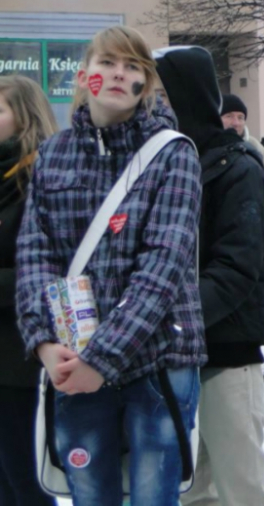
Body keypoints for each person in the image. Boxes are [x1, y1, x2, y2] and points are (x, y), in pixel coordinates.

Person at [16, 26, 205, 505]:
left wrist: (101, 359)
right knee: (90, 496)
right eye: (107, 63)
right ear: (84, 75)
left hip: (158, 359)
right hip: (72, 360)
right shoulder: (52, 156)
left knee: (151, 496)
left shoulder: (172, 153)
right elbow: (34, 257)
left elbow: (162, 267)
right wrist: (43, 343)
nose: (119, 74)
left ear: (148, 83)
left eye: (133, 66)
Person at [155, 46, 264, 506]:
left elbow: (237, 268)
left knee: (242, 485)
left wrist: (170, 321)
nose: (153, 107)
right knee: (193, 490)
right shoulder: (167, 162)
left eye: (161, 96)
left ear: (186, 97)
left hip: (226, 352)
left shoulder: (237, 167)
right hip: (179, 356)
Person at [0, 76, 57, 506]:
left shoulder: (42, 176)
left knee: (24, 480)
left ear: (24, 117)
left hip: (19, 355)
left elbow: (42, 271)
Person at [221, 93, 264, 244]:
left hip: (253, 247)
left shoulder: (255, 148)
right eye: (229, 116)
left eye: (240, 117)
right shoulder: (204, 148)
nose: (235, 123)